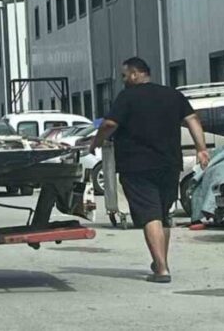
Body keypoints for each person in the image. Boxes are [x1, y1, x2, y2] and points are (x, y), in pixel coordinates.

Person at [90, 57, 209, 284]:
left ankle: (161, 269)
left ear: (135, 74)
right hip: (169, 164)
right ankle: (161, 262)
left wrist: (96, 142)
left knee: (149, 215)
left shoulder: (127, 97)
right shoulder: (172, 94)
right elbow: (193, 119)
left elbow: (109, 124)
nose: (123, 80)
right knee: (163, 216)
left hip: (137, 166)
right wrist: (201, 148)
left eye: (125, 75)